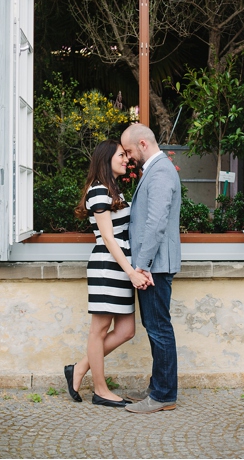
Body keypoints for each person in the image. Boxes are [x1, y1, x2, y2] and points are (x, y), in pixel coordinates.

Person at [65, 139, 152, 408]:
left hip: (121, 266)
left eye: (127, 155)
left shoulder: (114, 190)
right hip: (108, 266)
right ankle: (100, 390)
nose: (126, 159)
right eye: (121, 155)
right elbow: (108, 237)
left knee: (125, 330)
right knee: (99, 330)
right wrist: (132, 273)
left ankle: (78, 368)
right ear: (106, 159)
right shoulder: (99, 190)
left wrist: (133, 269)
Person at [120, 123, 181, 414]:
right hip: (152, 265)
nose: (129, 157)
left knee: (159, 329)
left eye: (130, 150)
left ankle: (163, 395)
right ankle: (158, 388)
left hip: (153, 266)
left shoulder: (159, 172)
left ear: (143, 144)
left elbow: (155, 224)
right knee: (155, 327)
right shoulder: (158, 170)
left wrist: (140, 266)